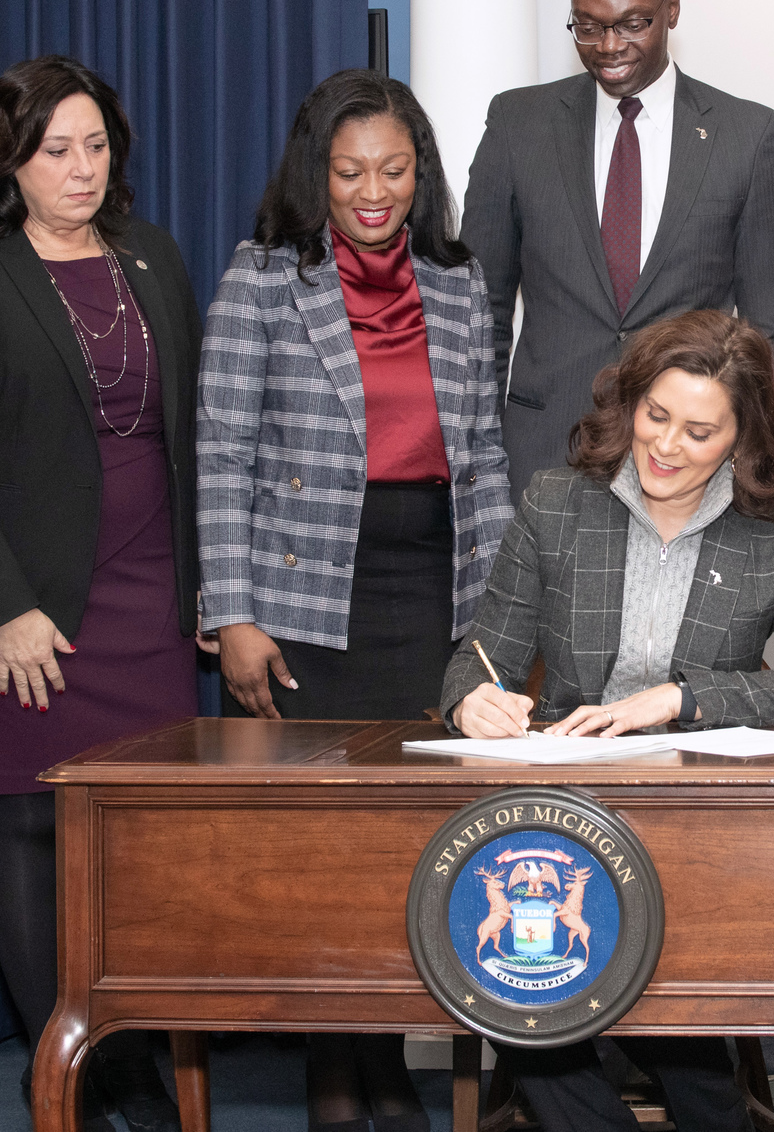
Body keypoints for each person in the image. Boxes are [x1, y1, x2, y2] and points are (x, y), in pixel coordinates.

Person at [442, 309, 774, 1132]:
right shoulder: (558, 503)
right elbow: (475, 655)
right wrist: (469, 699)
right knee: (504, 951)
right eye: (655, 416)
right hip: (566, 807)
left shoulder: (773, 528)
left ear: (739, 443)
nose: (666, 446)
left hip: (697, 820)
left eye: (699, 431)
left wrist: (683, 698)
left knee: (663, 945)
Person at [196, 67, 512, 1132]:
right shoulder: (261, 279)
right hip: (305, 601)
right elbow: (222, 454)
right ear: (315, 176)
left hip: (433, 592)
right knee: (329, 848)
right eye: (348, 170)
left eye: (392, 167)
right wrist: (232, 615)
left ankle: (388, 1068)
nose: (372, 189)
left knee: (417, 841)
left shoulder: (460, 283)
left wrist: (500, 617)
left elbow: (487, 458)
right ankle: (338, 1074)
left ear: (419, 172)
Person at [0, 55, 197, 1132]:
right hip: (18, 611)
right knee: (27, 825)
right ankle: (73, 1071)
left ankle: (129, 1060)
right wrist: (3, 608)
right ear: (8, 161)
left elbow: (184, 436)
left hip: (148, 597)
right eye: (54, 149)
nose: (80, 169)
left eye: (96, 145)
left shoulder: (152, 258)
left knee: (137, 840)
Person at [464, 0, 774, 495]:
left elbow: (769, 337)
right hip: (544, 455)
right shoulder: (518, 125)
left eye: (631, 24)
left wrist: (753, 470)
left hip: (690, 466)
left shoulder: (747, 136)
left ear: (670, 10)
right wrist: (480, 457)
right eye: (587, 27)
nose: (609, 45)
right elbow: (481, 313)